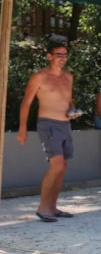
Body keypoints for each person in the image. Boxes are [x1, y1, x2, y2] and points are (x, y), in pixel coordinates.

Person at [17, 41, 79, 222]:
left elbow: (69, 100)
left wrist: (73, 109)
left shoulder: (68, 77)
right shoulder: (39, 77)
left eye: (65, 55)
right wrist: (22, 128)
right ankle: (43, 208)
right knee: (57, 165)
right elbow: (26, 103)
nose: (63, 58)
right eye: (59, 55)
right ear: (49, 56)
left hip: (65, 124)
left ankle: (53, 207)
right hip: (48, 124)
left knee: (63, 166)